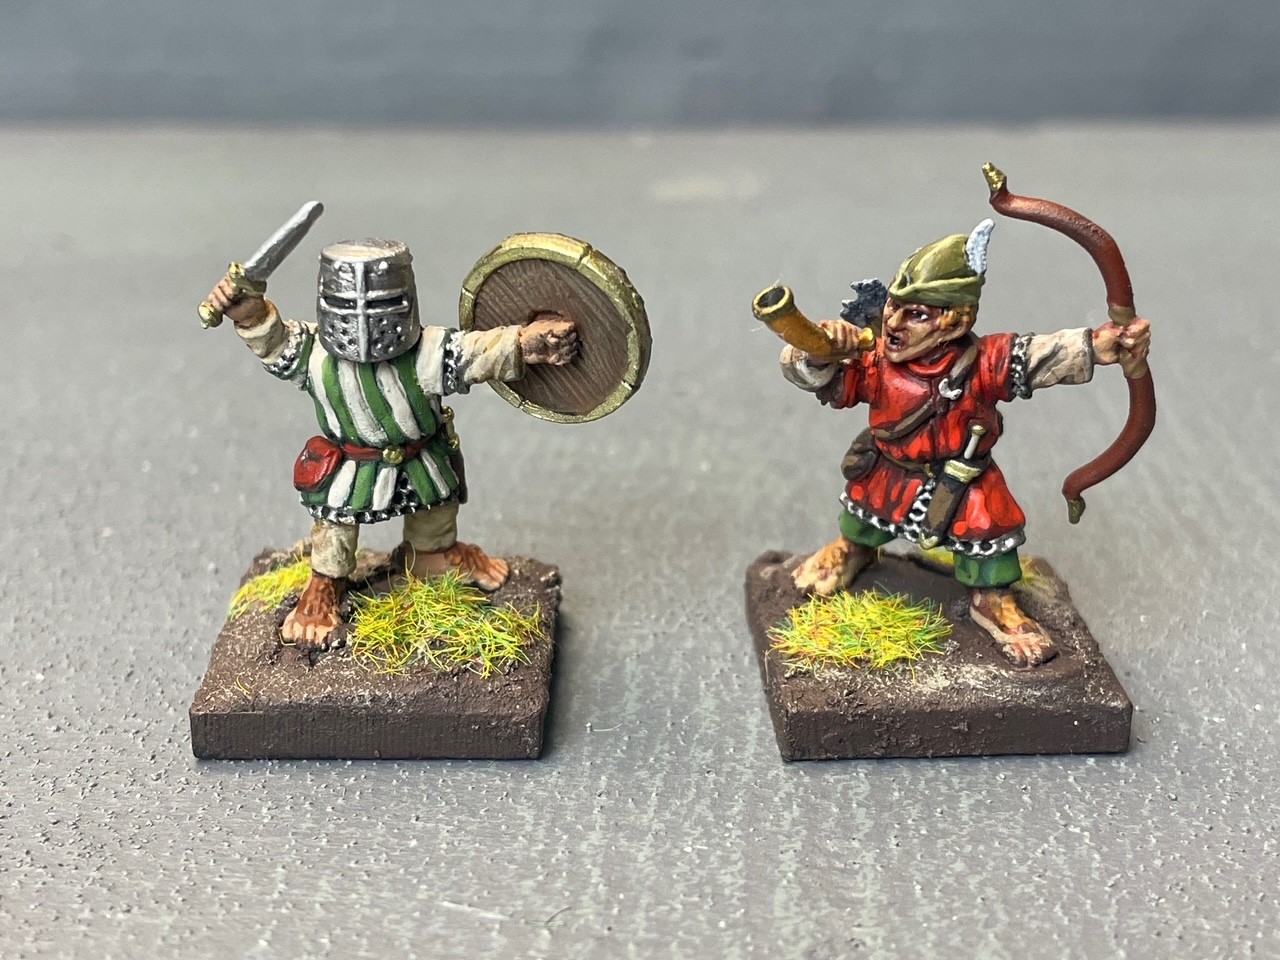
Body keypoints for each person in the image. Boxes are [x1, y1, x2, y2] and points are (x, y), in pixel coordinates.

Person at [781, 220, 1150, 667]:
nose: (893, 323)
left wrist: (1102, 344)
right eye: (894, 306)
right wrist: (819, 352)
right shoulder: (873, 360)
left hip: (963, 476)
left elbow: (1040, 355)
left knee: (987, 530)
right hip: (890, 467)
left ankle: (992, 601)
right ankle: (852, 549)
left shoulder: (985, 363)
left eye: (917, 315)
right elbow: (819, 380)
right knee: (864, 511)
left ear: (955, 320)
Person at [205, 238, 578, 648]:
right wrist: (251, 313)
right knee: (335, 524)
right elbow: (274, 342)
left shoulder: (428, 351)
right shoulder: (312, 352)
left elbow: (475, 352)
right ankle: (324, 587)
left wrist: (524, 342)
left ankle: (432, 556)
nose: (364, 317)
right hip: (351, 466)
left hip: (420, 459)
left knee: (436, 508)